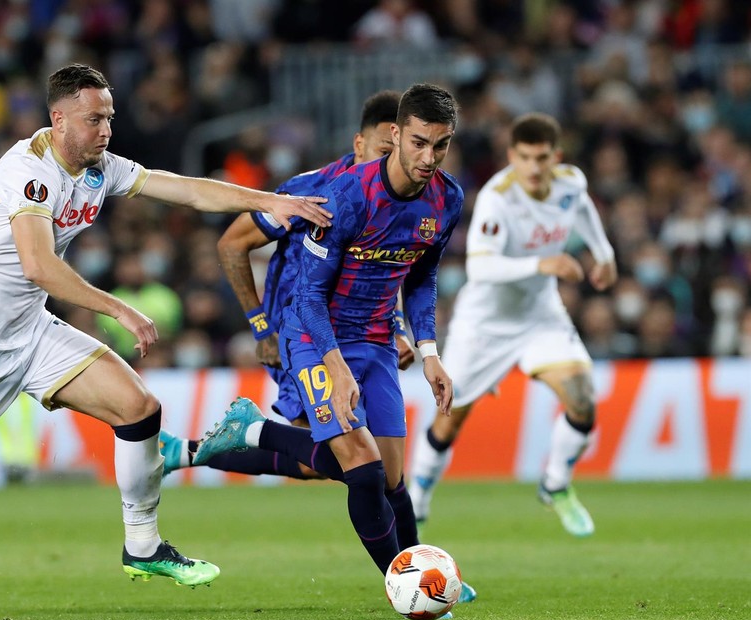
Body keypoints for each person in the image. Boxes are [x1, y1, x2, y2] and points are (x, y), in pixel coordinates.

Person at [0, 63, 332, 589]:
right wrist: (118, 308)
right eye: (95, 119)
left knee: (139, 410)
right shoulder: (28, 173)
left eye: (110, 117)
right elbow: (38, 266)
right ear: (59, 119)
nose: (107, 130)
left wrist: (270, 200)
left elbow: (185, 188)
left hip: (30, 332)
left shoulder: (100, 167)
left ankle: (142, 547)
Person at [193, 83, 463, 580]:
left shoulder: (447, 199)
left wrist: (429, 351)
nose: (429, 157)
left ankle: (423, 572)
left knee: (391, 479)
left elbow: (422, 277)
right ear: (396, 135)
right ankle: (406, 586)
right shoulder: (343, 195)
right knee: (361, 470)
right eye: (419, 143)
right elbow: (309, 296)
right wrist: (327, 363)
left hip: (378, 338)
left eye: (440, 145)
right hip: (315, 335)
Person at [159, 90, 415, 480]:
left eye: (399, 153)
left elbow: (384, 269)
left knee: (334, 462)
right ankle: (232, 435)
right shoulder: (314, 190)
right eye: (383, 150)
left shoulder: (397, 199)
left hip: (358, 335)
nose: (392, 163)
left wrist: (394, 326)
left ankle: (190, 450)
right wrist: (262, 328)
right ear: (359, 144)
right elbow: (233, 243)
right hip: (301, 336)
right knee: (347, 460)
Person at [407, 112, 618, 538]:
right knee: (449, 420)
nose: (535, 168)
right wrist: (545, 262)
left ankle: (555, 484)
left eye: (542, 158)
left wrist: (603, 252)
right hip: (485, 323)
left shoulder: (571, 182)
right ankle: (417, 501)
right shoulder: (497, 197)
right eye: (525, 158)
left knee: (582, 399)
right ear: (512, 156)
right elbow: (481, 266)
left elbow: (583, 211)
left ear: (555, 157)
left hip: (541, 314)